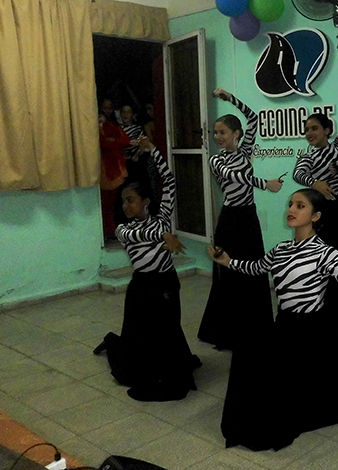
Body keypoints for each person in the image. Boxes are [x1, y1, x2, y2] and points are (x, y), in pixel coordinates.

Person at [209, 188, 338, 451]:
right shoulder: (281, 249)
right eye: (291, 204)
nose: (291, 209)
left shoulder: (326, 253)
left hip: (313, 333)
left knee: (294, 392)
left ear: (316, 216)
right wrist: (227, 260)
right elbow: (255, 268)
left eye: (300, 206)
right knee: (246, 351)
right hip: (284, 326)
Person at [94, 137, 200, 402]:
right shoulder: (124, 230)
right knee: (140, 332)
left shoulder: (162, 217)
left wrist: (153, 151)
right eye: (123, 201)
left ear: (145, 202)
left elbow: (171, 182)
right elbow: (144, 235)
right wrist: (165, 237)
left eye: (130, 200)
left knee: (167, 328)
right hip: (142, 285)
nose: (125, 205)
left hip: (165, 283)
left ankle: (170, 366)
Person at [197, 88, 284, 350]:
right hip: (230, 219)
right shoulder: (215, 160)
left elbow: (253, 117)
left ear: (236, 134)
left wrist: (230, 98)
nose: (218, 137)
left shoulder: (245, 151)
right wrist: (264, 183)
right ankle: (227, 331)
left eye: (222, 132)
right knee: (228, 273)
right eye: (215, 133)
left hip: (248, 218)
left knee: (252, 269)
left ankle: (254, 327)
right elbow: (236, 177)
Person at [293, 63, 338, 325]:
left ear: (326, 130)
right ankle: (325, 304)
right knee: (323, 257)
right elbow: (297, 174)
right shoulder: (308, 157)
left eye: (314, 128)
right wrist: (316, 183)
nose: (309, 133)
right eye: (307, 130)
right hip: (320, 215)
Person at [99, 112, 134, 238]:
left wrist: (113, 140)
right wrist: (113, 142)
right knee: (103, 203)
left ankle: (111, 229)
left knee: (112, 203)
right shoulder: (94, 129)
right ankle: (104, 230)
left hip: (115, 169)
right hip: (102, 169)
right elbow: (101, 143)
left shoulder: (112, 126)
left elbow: (126, 140)